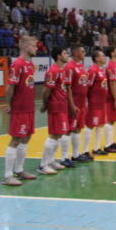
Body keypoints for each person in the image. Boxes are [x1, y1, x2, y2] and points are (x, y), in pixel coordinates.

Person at [2, 36, 39, 186]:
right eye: (34, 46)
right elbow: (10, 87)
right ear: (24, 46)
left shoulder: (30, 64)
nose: (36, 48)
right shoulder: (17, 64)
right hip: (20, 108)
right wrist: (9, 104)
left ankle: (19, 170)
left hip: (29, 107)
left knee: (27, 137)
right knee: (16, 139)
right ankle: (7, 175)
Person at [38, 47, 72, 175]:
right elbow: (46, 90)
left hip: (62, 105)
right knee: (54, 135)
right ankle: (42, 165)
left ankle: (51, 161)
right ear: (58, 56)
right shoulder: (53, 71)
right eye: (64, 53)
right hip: (55, 106)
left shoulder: (61, 70)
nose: (67, 55)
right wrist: (45, 104)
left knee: (58, 134)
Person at [63, 45, 90, 163]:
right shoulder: (69, 67)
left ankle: (75, 154)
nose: (84, 52)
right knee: (68, 129)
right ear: (75, 52)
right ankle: (64, 157)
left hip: (82, 103)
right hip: (74, 104)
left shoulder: (81, 66)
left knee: (78, 129)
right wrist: (72, 104)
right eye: (82, 51)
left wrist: (86, 101)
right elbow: (68, 87)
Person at [85, 49, 109, 157]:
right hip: (94, 103)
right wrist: (87, 101)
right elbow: (87, 87)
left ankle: (96, 148)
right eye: (102, 56)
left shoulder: (101, 70)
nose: (104, 58)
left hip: (102, 103)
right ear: (97, 58)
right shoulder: (92, 70)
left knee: (101, 124)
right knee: (90, 125)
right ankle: (85, 150)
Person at [103, 46, 116, 152]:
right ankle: (107, 145)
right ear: (112, 53)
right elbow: (112, 83)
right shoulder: (112, 66)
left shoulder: (115, 65)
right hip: (111, 98)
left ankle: (110, 142)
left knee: (113, 120)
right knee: (109, 121)